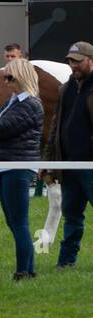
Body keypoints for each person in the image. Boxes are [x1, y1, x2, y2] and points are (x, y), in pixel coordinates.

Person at [0, 58, 44, 280]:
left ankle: (23, 271)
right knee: (14, 221)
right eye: (5, 77)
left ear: (22, 77)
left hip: (18, 166)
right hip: (6, 166)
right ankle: (29, 269)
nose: (6, 82)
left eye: (10, 77)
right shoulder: (13, 102)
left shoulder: (31, 104)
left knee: (19, 222)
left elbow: (0, 127)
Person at [43, 41, 93, 269]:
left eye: (77, 61)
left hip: (90, 165)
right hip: (69, 164)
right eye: (70, 62)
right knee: (72, 215)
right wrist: (49, 162)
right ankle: (66, 262)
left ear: (90, 61)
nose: (73, 66)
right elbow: (55, 128)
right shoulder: (66, 88)